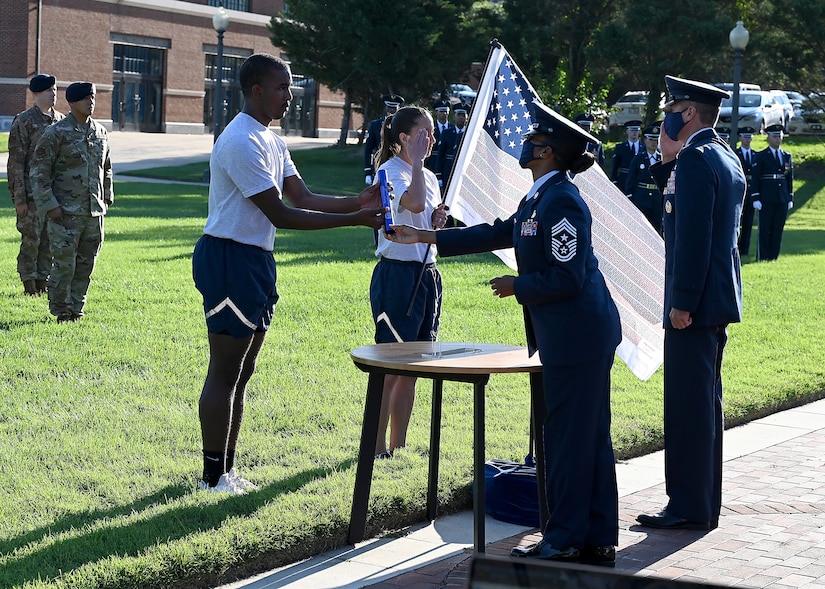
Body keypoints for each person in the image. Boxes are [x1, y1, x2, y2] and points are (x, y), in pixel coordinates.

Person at [388, 101, 622, 566]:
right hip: (571, 336)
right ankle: (595, 538)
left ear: (549, 152)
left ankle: (567, 538)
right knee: (583, 436)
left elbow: (568, 277)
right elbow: (500, 233)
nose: (526, 142)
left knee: (571, 439)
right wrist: (424, 237)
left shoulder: (563, 201)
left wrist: (519, 286)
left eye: (535, 138)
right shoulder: (538, 196)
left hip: (580, 337)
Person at [192, 53, 386, 494]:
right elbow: (281, 213)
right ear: (256, 90)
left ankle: (225, 472)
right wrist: (356, 221)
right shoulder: (240, 140)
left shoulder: (272, 140)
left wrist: (359, 201)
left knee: (242, 372)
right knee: (224, 371)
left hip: (255, 260)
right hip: (228, 259)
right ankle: (211, 477)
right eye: (281, 87)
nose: (289, 95)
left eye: (291, 86)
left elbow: (302, 196)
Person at [637, 75, 746, 531]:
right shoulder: (724, 155)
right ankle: (701, 503)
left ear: (689, 114)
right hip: (717, 299)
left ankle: (687, 506)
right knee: (703, 405)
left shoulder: (698, 160)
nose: (667, 116)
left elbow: (694, 240)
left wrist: (681, 303)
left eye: (674, 108)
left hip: (694, 306)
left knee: (688, 407)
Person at [370, 106, 448, 458]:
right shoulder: (390, 171)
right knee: (391, 367)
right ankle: (375, 447)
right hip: (397, 277)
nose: (431, 139)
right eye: (423, 134)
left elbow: (423, 215)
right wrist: (416, 164)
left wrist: (437, 219)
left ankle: (397, 446)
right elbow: (413, 202)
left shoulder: (428, 175)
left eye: (432, 133)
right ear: (404, 138)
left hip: (427, 276)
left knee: (413, 368)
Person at [30, 82, 112, 323]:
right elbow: (39, 172)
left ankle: (77, 307)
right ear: (72, 102)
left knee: (86, 265)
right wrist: (50, 205)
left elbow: (106, 168)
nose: (91, 102)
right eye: (86, 98)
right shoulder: (56, 133)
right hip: (64, 213)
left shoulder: (100, 132)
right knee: (65, 265)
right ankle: (61, 310)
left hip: (93, 213)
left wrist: (106, 197)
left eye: (93, 97)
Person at [7, 73, 64, 296]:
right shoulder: (24, 121)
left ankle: (43, 280)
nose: (54, 94)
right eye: (49, 90)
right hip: (31, 194)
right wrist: (19, 198)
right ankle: (29, 283)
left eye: (55, 90)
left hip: (54, 194)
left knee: (49, 241)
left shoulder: (60, 121)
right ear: (37, 93)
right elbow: (16, 163)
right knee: (31, 240)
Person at [752, 124, 793, 261]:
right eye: (775, 136)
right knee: (765, 229)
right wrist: (756, 197)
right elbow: (756, 178)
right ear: (768, 137)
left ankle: (773, 257)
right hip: (766, 197)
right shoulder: (761, 156)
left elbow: (789, 178)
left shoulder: (786, 156)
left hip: (781, 197)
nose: (778, 139)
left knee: (777, 229)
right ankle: (763, 256)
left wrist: (790, 197)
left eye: (780, 136)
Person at [624, 124, 663, 234]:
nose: (654, 143)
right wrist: (630, 197)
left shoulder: (662, 159)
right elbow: (631, 179)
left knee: (657, 230)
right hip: (641, 198)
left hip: (657, 199)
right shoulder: (638, 158)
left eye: (656, 140)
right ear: (645, 140)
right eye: (651, 139)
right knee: (641, 231)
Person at [363, 93, 404, 185]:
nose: (391, 110)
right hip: (380, 164)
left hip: (398, 166)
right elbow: (368, 149)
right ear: (386, 108)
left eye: (394, 108)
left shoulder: (403, 126)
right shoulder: (376, 125)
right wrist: (368, 171)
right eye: (389, 107)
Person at [734, 127, 757, 256]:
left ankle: (745, 250)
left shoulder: (756, 155)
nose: (747, 139)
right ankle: (736, 248)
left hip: (751, 193)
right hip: (739, 192)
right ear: (740, 138)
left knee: (748, 224)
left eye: (750, 136)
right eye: (745, 136)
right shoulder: (735, 154)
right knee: (737, 222)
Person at [435, 101, 469, 187]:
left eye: (463, 115)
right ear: (454, 117)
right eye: (459, 115)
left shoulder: (469, 134)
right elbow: (440, 154)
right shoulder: (447, 133)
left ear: (467, 118)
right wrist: (438, 175)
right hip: (447, 169)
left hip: (463, 169)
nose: (461, 118)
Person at [610, 119, 642, 189]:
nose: (634, 133)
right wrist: (614, 181)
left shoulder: (644, 147)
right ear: (627, 131)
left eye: (636, 130)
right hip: (624, 180)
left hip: (639, 182)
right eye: (632, 130)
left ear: (639, 131)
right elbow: (615, 167)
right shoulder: (620, 147)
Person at [426, 99, 454, 173]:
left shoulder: (453, 128)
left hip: (447, 163)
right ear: (436, 112)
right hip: (433, 161)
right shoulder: (431, 127)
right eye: (441, 111)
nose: (444, 114)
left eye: (446, 112)